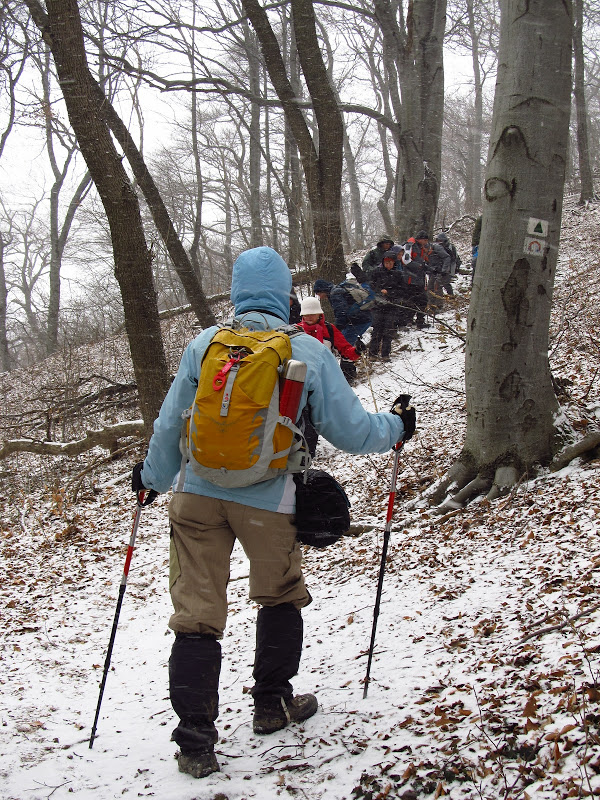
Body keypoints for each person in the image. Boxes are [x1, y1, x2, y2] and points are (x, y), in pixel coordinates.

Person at [131, 246, 412, 780]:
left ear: (237, 295)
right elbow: (352, 432)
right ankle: (271, 704)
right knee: (279, 594)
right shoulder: (303, 347)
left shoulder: (204, 345)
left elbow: (170, 426)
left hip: (195, 497)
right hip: (269, 498)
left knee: (195, 617)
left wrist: (151, 480)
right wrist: (397, 426)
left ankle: (194, 740)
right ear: (284, 294)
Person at [297, 296, 362, 386]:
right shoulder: (296, 330)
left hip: (326, 375)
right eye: (306, 314)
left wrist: (357, 351)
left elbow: (344, 350)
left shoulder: (329, 329)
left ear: (319, 313)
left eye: (312, 314)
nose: (309, 317)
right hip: (302, 377)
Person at [313, 278, 372, 345]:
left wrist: (338, 328)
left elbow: (341, 312)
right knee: (346, 342)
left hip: (358, 320)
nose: (320, 297)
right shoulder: (337, 290)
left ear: (323, 290)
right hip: (363, 318)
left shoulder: (335, 294)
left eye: (319, 294)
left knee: (344, 344)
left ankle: (348, 355)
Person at [368, 251, 404, 361]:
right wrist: (379, 291)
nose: (388, 265)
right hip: (378, 305)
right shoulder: (377, 272)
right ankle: (373, 353)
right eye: (386, 262)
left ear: (394, 263)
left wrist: (389, 293)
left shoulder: (398, 274)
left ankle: (385, 354)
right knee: (377, 329)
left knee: (389, 330)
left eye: (390, 262)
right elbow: (371, 286)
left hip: (392, 305)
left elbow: (402, 290)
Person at [399, 230, 430, 329]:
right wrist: (420, 266)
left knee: (419, 300)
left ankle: (418, 320)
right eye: (424, 240)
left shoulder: (420, 247)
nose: (426, 242)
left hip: (418, 278)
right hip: (410, 279)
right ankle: (411, 320)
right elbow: (406, 260)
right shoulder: (410, 245)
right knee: (413, 300)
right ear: (420, 239)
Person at [426, 234, 453, 312]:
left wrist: (444, 270)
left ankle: (438, 306)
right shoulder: (427, 249)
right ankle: (432, 305)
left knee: (437, 287)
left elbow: (447, 257)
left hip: (441, 271)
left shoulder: (437, 248)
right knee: (431, 287)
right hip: (435, 271)